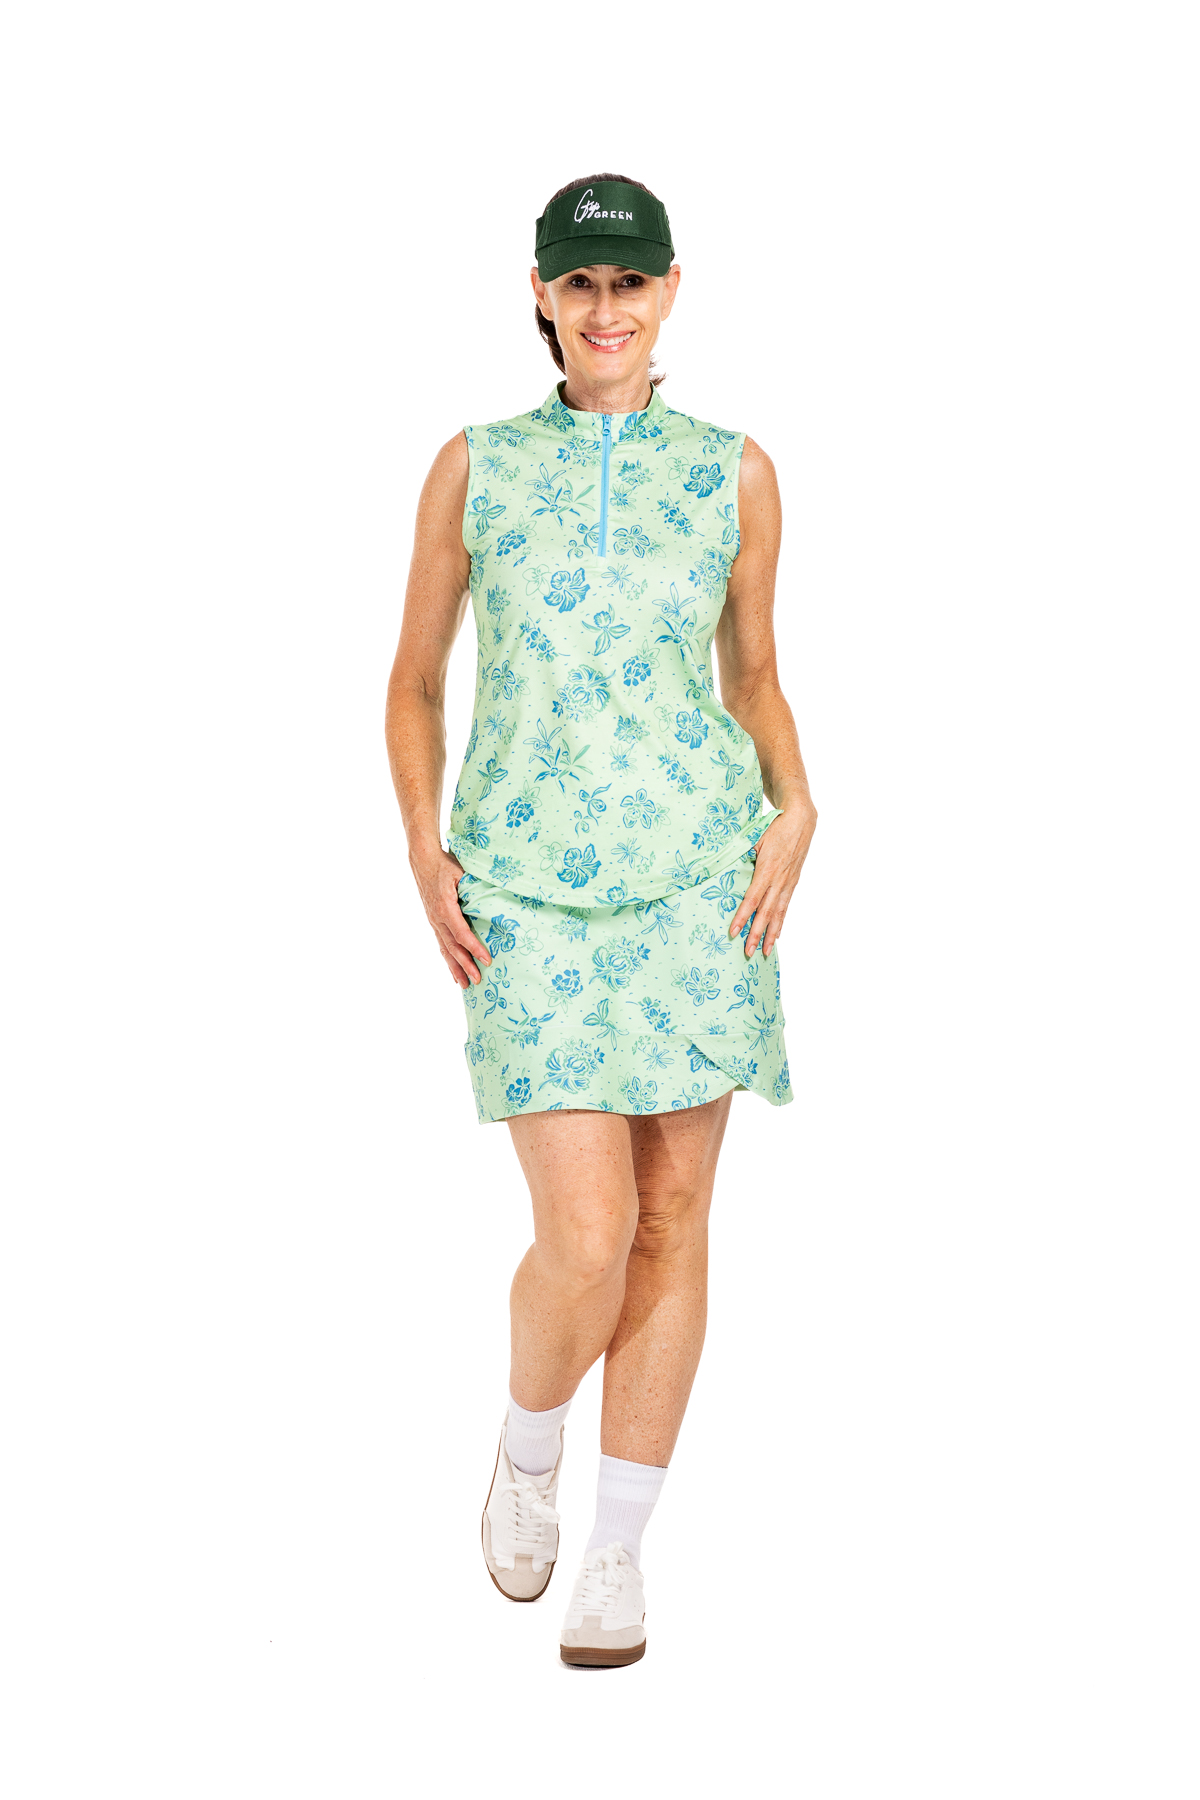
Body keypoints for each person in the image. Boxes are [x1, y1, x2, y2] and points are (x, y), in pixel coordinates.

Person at [385, 174, 817, 1666]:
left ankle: (619, 1557)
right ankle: (527, 1448)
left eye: (630, 282)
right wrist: (425, 848)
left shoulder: (735, 470)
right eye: (580, 283)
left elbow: (753, 672)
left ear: (671, 291)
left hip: (703, 878)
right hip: (522, 883)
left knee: (675, 1218)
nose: (606, 309)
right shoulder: (477, 464)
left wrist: (798, 801)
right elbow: (415, 678)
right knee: (585, 1233)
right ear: (541, 296)